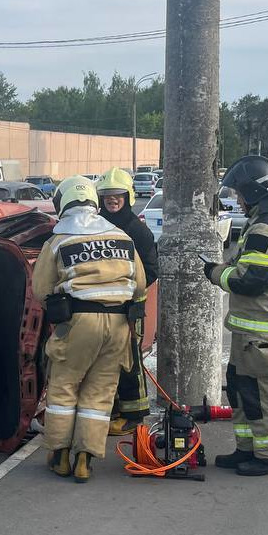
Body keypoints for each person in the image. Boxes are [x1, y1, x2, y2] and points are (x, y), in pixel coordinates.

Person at [31, 177, 146, 483]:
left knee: (64, 387)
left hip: (79, 323)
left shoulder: (58, 240)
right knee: (100, 392)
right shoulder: (121, 236)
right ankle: (86, 458)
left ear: (62, 203)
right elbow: (140, 285)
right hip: (119, 324)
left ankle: (60, 455)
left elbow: (41, 289)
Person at [203, 155, 268, 476]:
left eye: (240, 194)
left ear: (253, 191)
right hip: (253, 328)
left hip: (263, 327)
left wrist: (216, 272)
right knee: (242, 387)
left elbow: (250, 280)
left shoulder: (266, 227)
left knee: (264, 391)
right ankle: (248, 448)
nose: (239, 201)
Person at [95, 167, 158, 434]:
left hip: (130, 306)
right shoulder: (97, 226)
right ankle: (113, 409)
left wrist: (125, 287)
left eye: (117, 195)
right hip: (101, 307)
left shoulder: (138, 231)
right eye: (107, 196)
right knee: (103, 360)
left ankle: (134, 417)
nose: (112, 200)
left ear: (127, 196)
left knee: (129, 361)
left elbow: (153, 269)